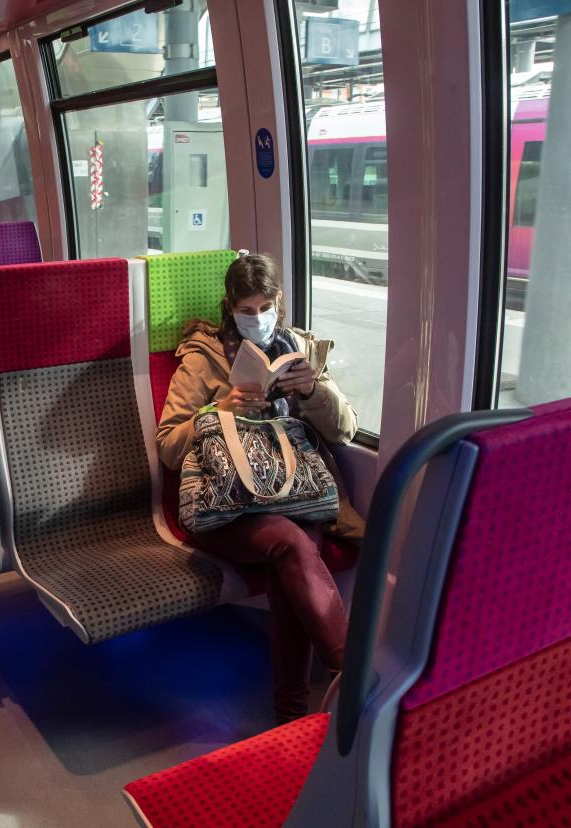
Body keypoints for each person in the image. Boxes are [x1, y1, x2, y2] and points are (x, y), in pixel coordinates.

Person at [156, 251, 363, 723]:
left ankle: (290, 716)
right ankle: (351, 681)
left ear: (279, 303)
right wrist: (221, 408)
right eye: (245, 311)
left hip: (294, 494)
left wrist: (313, 392)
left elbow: (345, 431)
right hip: (225, 506)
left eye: (264, 307)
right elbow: (169, 445)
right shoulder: (202, 358)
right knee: (294, 544)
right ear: (229, 308)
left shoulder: (298, 351)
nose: (257, 319)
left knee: (295, 548)